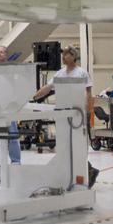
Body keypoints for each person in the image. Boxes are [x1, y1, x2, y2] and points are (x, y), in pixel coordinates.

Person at [31, 46, 97, 187]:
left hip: (78, 115)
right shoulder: (59, 74)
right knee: (64, 146)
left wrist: (89, 112)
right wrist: (35, 96)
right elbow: (48, 88)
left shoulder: (82, 73)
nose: (63, 56)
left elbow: (89, 94)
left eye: (67, 54)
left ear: (74, 56)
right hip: (62, 116)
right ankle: (67, 176)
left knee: (79, 146)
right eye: (63, 54)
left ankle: (86, 172)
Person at [0, 45, 20, 164]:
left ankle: (15, 161)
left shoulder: (11, 69)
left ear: (6, 54)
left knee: (13, 134)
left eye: (2, 52)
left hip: (9, 106)